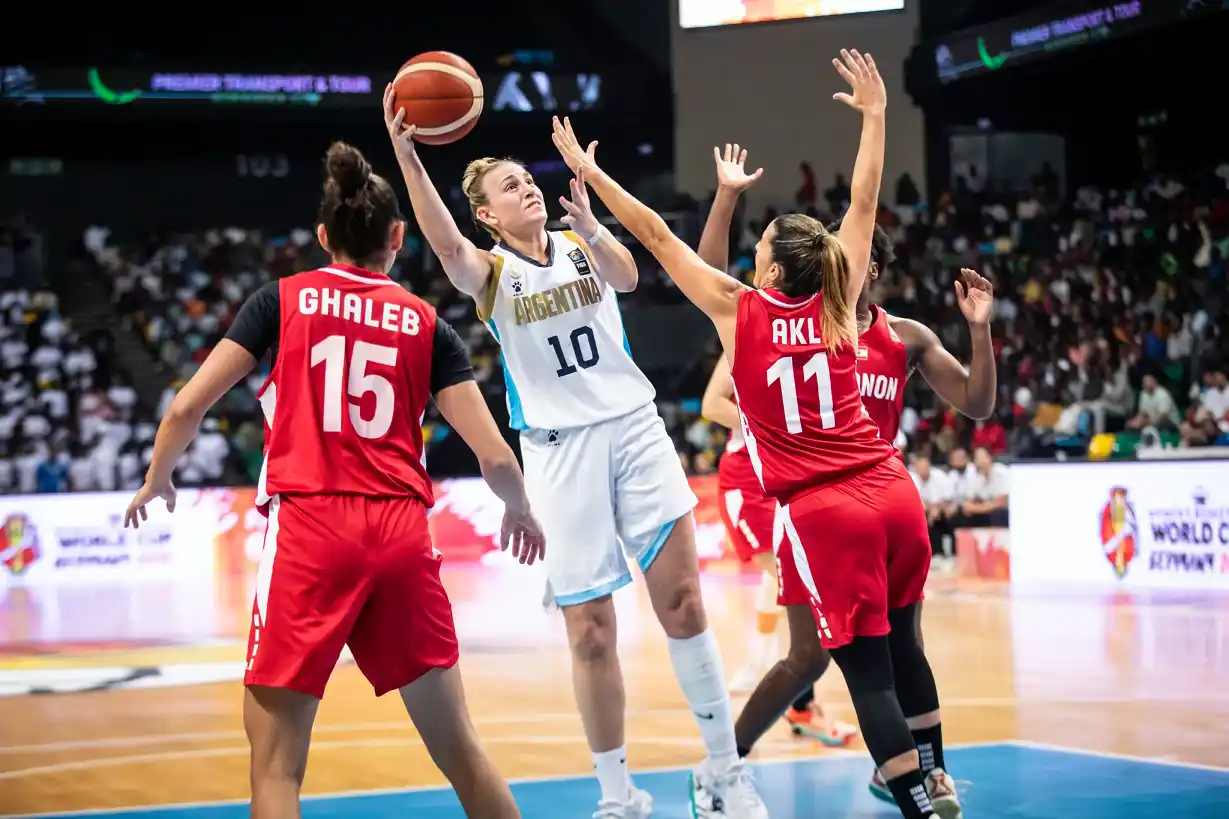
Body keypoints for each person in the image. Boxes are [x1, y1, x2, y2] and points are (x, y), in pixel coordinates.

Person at [552, 49, 963, 819]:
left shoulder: (737, 311)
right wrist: (876, 115)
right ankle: (935, 777)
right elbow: (865, 198)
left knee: (866, 673)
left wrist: (591, 174)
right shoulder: (840, 298)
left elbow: (654, 236)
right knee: (904, 644)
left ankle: (916, 801)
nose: (754, 253)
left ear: (770, 274)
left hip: (825, 508)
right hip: (893, 490)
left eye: (761, 246)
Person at [122, 141, 543, 819]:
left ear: (323, 236)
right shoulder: (429, 324)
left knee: (276, 771)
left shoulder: (280, 299)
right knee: (462, 752)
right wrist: (518, 508)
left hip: (311, 527)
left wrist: (157, 477)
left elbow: (185, 408)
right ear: (398, 237)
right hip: (401, 533)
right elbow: (495, 457)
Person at [381, 88, 767, 819]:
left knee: (684, 603)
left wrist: (592, 225)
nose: (527, 188)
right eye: (509, 188)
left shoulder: (580, 242)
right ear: (487, 215)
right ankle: (618, 795)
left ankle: (725, 771)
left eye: (528, 180)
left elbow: (628, 276)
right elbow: (445, 246)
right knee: (590, 633)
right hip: (558, 452)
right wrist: (408, 156)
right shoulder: (490, 272)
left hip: (633, 427)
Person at [698, 145, 858, 748]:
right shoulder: (746, 321)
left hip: (793, 483)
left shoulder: (821, 319)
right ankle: (793, 696)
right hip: (750, 476)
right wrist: (763, 418)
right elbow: (713, 403)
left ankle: (790, 690)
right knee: (794, 585)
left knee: (797, 588)